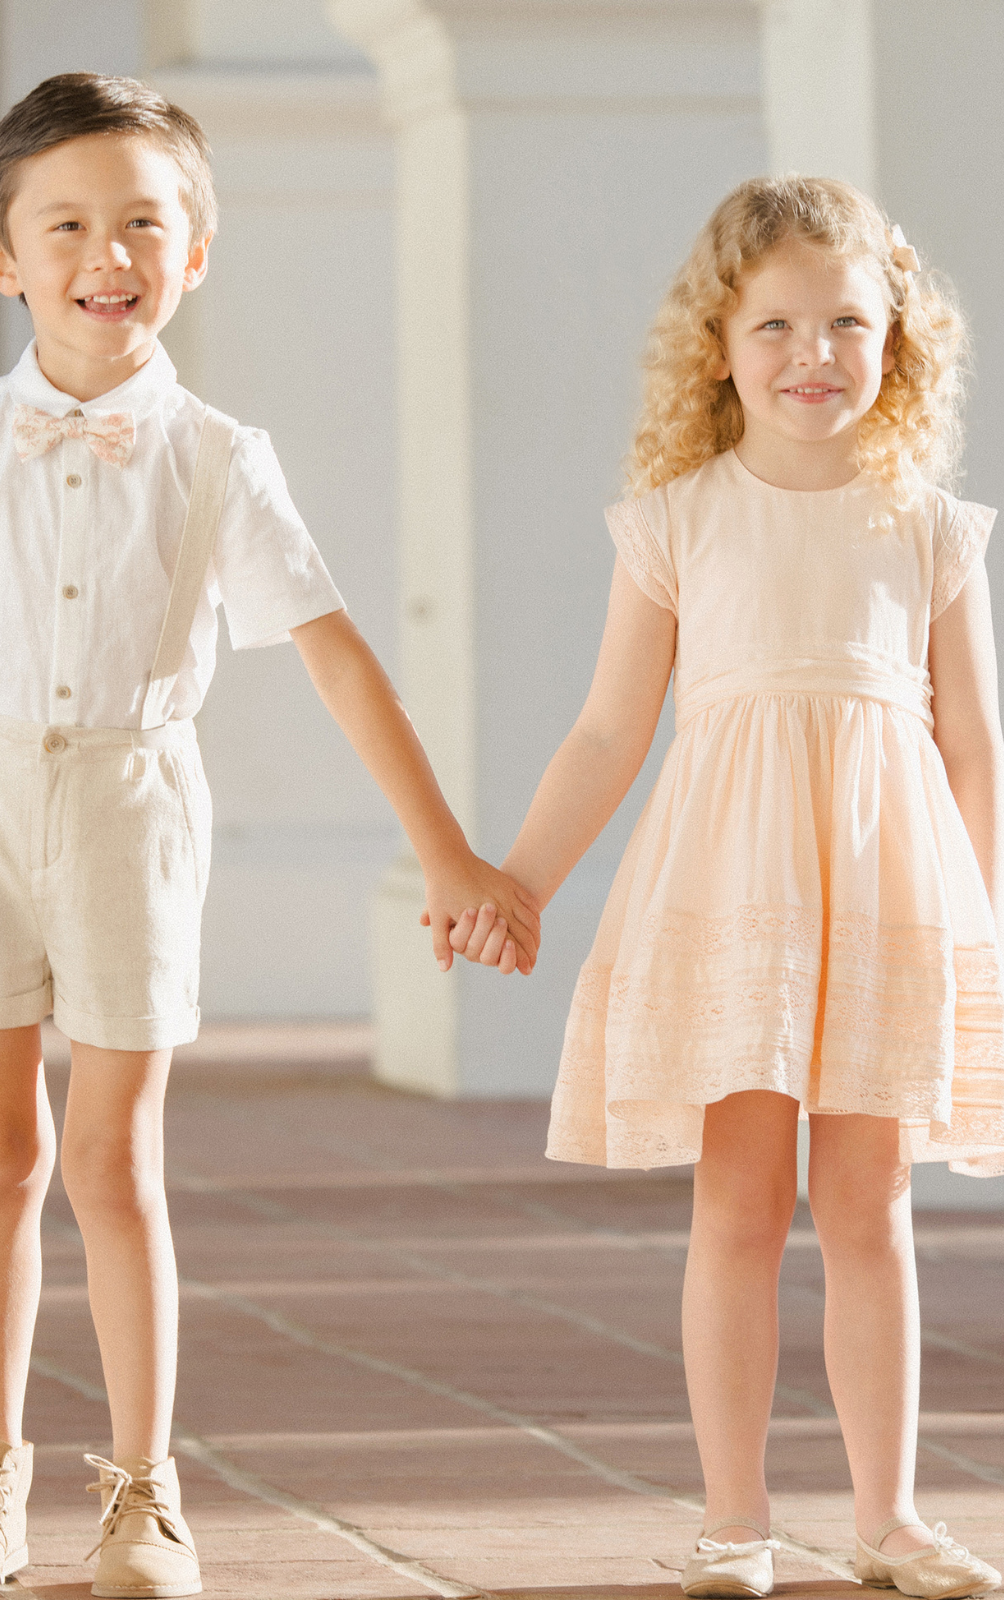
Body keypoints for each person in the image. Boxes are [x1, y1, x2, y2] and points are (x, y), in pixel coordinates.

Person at [0, 72, 539, 1597]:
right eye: (68, 222)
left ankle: (144, 1495)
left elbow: (340, 655)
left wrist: (449, 853)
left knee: (113, 1157)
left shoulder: (220, 455)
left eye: (144, 222)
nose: (110, 252)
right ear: (5, 256)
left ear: (194, 250)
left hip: (132, 814)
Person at [453, 176, 1004, 1598]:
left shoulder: (935, 532)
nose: (811, 352)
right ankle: (734, 1520)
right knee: (739, 1205)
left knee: (869, 1201)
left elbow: (970, 749)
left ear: (898, 346)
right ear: (716, 343)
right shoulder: (675, 523)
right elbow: (604, 733)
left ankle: (887, 1519)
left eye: (845, 323)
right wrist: (513, 879)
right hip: (732, 890)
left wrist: (986, 929)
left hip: (890, 897)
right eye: (775, 324)